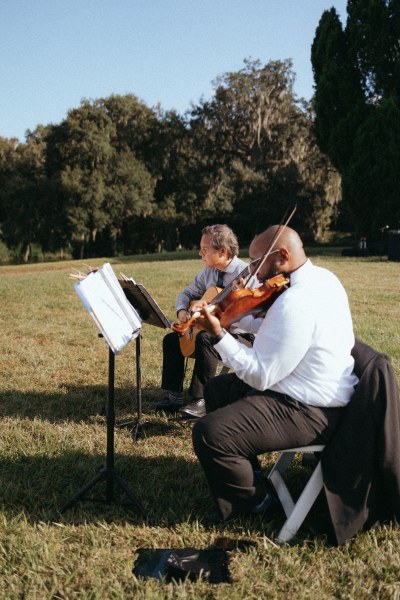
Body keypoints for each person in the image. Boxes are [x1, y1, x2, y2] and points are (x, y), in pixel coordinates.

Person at [191, 224, 359, 523]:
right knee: (217, 390)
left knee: (209, 434)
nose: (252, 271)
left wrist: (219, 334)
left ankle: (258, 501)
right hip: (299, 386)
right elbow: (279, 333)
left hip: (310, 408)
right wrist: (235, 319)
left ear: (282, 256)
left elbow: (260, 376)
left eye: (257, 262)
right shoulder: (322, 278)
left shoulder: (296, 301)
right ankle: (247, 471)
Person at [155, 224, 255, 419]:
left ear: (223, 251)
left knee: (205, 339)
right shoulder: (208, 272)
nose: (200, 253)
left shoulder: (247, 274)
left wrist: (227, 304)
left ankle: (201, 400)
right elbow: (187, 293)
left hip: (241, 335)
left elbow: (250, 317)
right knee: (172, 341)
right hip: (211, 331)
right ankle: (174, 396)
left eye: (205, 249)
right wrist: (183, 310)